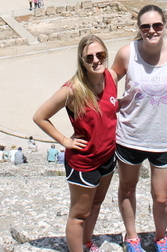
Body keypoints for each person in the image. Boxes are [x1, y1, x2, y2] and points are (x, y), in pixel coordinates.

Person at [34, 35, 120, 252]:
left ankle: (87, 243)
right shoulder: (72, 90)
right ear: (82, 61)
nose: (95, 60)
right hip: (84, 162)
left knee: (96, 205)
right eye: (89, 57)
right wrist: (65, 140)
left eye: (100, 55)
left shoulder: (110, 77)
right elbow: (40, 116)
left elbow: (109, 110)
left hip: (107, 157)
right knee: (79, 214)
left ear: (106, 55)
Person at [112, 5, 167, 252]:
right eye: (145, 26)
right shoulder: (126, 53)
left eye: (157, 25)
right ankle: (132, 238)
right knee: (127, 188)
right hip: (130, 135)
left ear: (165, 25)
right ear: (139, 28)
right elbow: (108, 82)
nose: (151, 30)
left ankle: (160, 238)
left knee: (162, 197)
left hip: (165, 136)